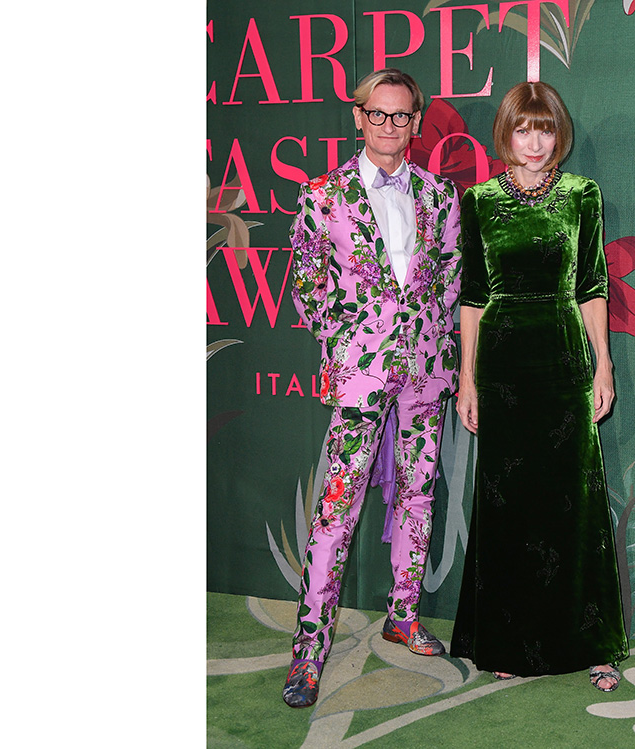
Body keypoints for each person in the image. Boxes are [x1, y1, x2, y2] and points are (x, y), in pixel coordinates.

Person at [282, 68, 462, 708]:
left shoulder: (440, 196)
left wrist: (431, 340)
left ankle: (403, 613)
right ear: (359, 118)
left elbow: (450, 277)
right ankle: (309, 650)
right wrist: (348, 345)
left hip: (425, 370)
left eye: (401, 115)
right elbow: (307, 285)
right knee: (337, 508)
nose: (389, 125)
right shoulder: (323, 196)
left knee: (418, 492)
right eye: (378, 114)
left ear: (416, 123)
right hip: (361, 373)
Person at [450, 81, 628, 691]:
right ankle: (507, 639)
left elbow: (592, 286)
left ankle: (593, 644)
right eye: (523, 128)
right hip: (502, 365)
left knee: (576, 502)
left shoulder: (582, 195)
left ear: (559, 134)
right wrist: (467, 379)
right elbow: (473, 296)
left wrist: (603, 364)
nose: (534, 141)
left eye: (545, 129)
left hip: (562, 358)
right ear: (507, 133)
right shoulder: (478, 200)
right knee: (509, 505)